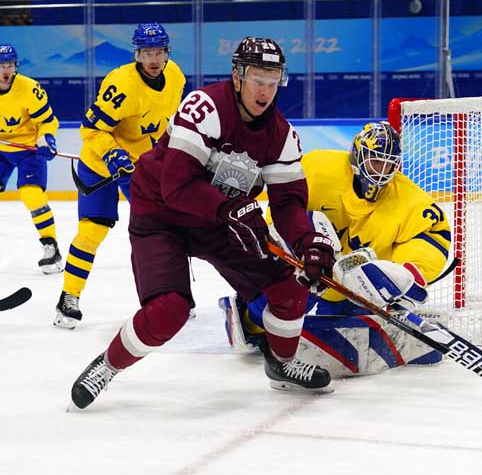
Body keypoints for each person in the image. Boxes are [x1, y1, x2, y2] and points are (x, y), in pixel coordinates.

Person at [68, 36, 336, 410]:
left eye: (273, 82)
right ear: (238, 76)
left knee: (291, 289)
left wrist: (307, 241)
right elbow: (176, 186)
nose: (266, 91)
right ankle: (107, 365)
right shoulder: (203, 107)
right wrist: (232, 210)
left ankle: (283, 364)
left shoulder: (282, 136)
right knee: (168, 311)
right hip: (162, 213)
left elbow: (288, 203)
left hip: (218, 219)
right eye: (258, 79)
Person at [220, 121, 452, 377]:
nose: (382, 171)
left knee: (361, 336)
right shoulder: (318, 168)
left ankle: (315, 332)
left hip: (355, 287)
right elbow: (285, 207)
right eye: (375, 161)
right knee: (294, 285)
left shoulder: (409, 200)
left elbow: (433, 235)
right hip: (310, 265)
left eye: (388, 164)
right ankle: (249, 318)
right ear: (357, 155)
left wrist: (407, 272)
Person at [54, 22, 186, 330]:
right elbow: (91, 129)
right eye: (147, 52)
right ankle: (68, 298)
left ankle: (174, 297)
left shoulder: (176, 76)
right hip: (100, 166)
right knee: (91, 232)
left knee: (162, 230)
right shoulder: (122, 84)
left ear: (167, 53)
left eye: (159, 52)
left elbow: (170, 121)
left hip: (139, 169)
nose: (154, 59)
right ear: (137, 54)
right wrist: (112, 153)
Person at [0, 43, 63, 274]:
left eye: (9, 65)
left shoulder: (29, 88)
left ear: (15, 67)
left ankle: (51, 246)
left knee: (31, 194)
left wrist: (46, 139)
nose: (5, 70)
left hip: (28, 148)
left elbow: (47, 120)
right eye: (0, 65)